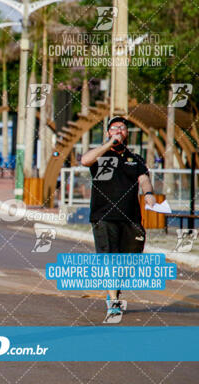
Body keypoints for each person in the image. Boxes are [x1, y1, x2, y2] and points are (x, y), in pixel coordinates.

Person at [81, 116, 157, 318]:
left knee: (130, 260)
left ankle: (115, 287)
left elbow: (145, 180)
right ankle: (113, 300)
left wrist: (148, 193)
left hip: (130, 217)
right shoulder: (99, 156)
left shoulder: (135, 159)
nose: (119, 131)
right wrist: (109, 144)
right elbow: (84, 160)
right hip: (103, 216)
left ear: (127, 134)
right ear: (108, 132)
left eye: (122, 128)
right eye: (115, 128)